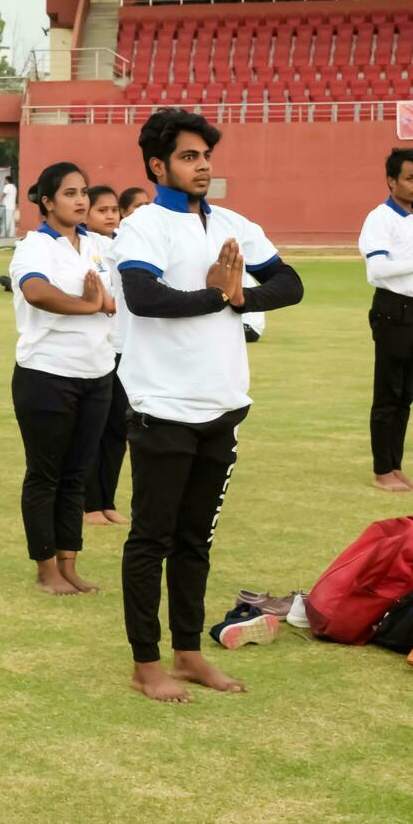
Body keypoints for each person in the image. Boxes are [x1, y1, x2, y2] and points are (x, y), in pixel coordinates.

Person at [111, 108, 303, 702]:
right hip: (163, 406)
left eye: (206, 157)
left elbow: (290, 283)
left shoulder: (235, 224)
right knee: (152, 539)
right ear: (157, 165)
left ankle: (189, 653)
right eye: (190, 157)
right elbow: (143, 297)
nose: (203, 167)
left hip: (222, 408)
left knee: (196, 541)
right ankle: (147, 664)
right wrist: (215, 295)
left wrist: (240, 294)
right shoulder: (143, 227)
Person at [9, 163, 117, 596]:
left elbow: (114, 298)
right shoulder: (34, 246)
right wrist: (88, 305)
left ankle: (69, 563)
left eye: (84, 192)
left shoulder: (98, 245)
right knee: (46, 474)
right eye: (70, 193)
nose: (81, 200)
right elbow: (36, 291)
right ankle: (45, 568)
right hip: (47, 373)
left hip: (97, 372)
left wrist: (103, 301)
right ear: (47, 201)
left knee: (77, 474)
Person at [359, 147, 413, 493]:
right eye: (409, 178)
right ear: (392, 181)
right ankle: (382, 469)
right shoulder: (380, 218)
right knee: (388, 393)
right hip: (393, 311)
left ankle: (395, 465)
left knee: (406, 394)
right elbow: (376, 269)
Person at [83, 185, 131, 525]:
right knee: (94, 429)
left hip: (125, 348)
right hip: (98, 349)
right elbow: (96, 297)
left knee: (118, 429)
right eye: (102, 210)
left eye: (114, 209)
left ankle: (107, 500)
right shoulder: (86, 247)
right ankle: (88, 505)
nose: (111, 215)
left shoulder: (122, 244)